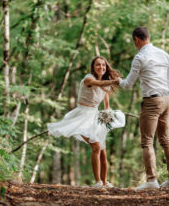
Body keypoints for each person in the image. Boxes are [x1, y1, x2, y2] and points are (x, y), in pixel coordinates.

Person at [115, 26, 169, 190]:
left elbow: (128, 84)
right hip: (166, 99)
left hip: (152, 102)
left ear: (136, 39)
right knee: (165, 139)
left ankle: (151, 180)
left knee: (147, 142)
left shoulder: (139, 57)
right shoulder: (163, 54)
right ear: (148, 37)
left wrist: (117, 81)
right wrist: (164, 95)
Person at [48, 56, 125, 188]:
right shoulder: (88, 79)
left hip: (95, 117)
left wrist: (108, 116)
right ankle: (97, 182)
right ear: (93, 67)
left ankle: (105, 183)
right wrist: (114, 81)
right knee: (96, 147)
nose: (101, 67)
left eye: (103, 65)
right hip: (82, 115)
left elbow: (106, 105)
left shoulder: (105, 84)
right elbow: (99, 84)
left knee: (103, 151)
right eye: (98, 65)